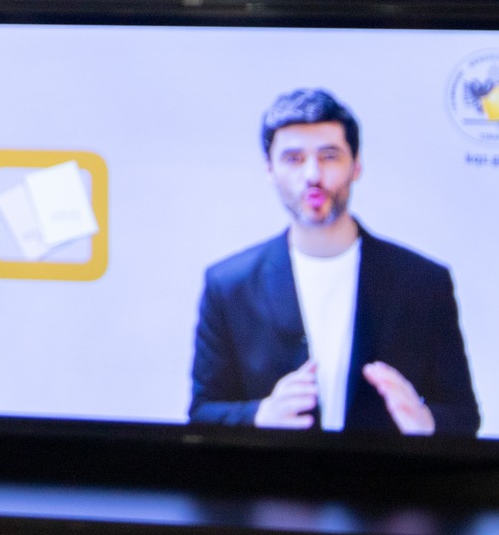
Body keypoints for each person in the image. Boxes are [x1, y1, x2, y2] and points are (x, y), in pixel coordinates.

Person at [189, 89, 479, 436]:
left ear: (356, 165)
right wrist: (259, 415)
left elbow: (464, 415)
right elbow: (203, 412)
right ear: (270, 169)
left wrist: (426, 423)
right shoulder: (228, 285)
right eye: (293, 159)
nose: (313, 174)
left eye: (329, 156)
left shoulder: (423, 283)